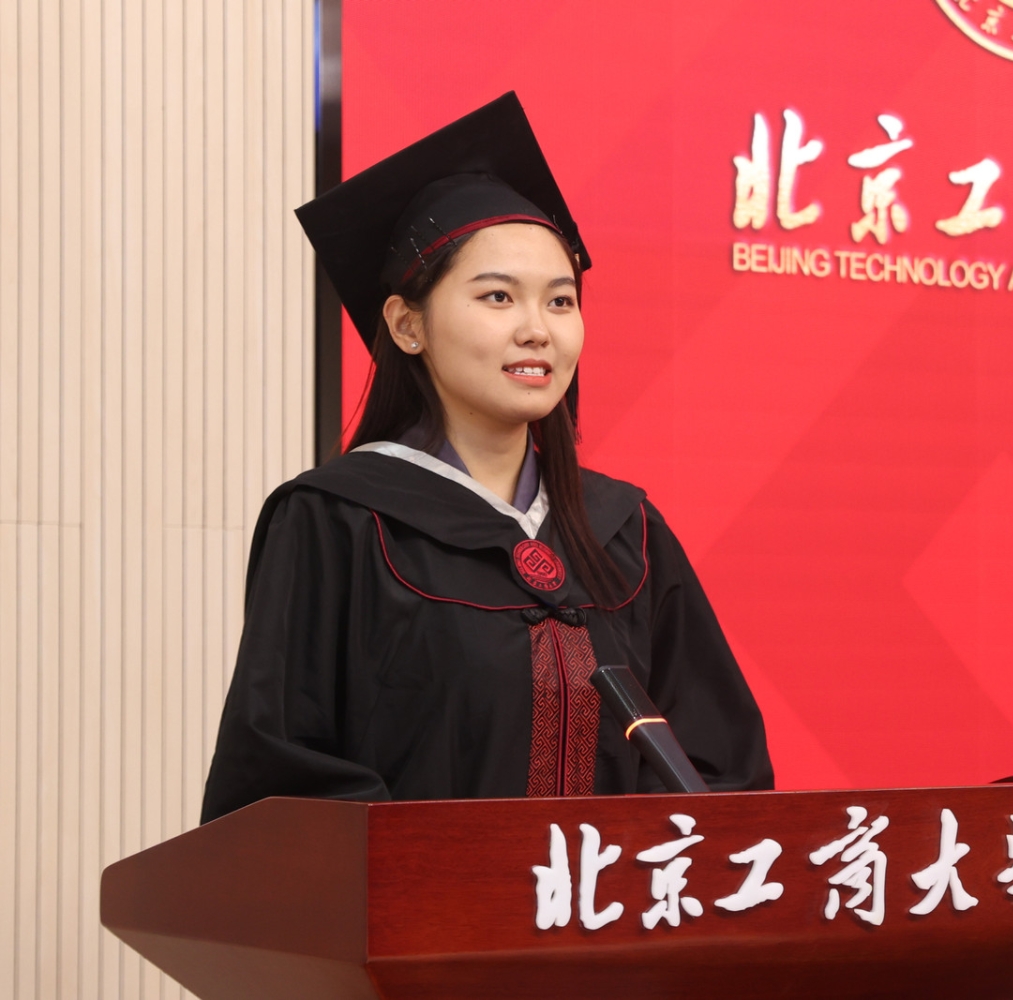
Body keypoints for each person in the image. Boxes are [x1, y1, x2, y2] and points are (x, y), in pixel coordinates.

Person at [200, 93, 773, 823]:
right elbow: (282, 779)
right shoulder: (338, 521)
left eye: (560, 302)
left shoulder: (627, 532)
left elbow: (721, 771)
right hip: (424, 900)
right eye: (498, 297)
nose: (538, 330)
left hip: (606, 896)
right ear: (406, 325)